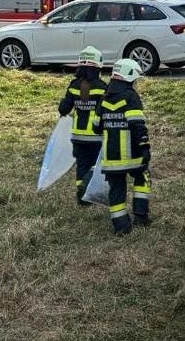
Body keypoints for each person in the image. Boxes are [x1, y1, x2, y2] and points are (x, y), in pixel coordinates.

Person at [100, 59, 151, 234]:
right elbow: (137, 125)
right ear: (129, 76)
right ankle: (141, 216)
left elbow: (95, 126)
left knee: (116, 190)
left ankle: (121, 226)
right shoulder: (130, 96)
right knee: (142, 177)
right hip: (133, 155)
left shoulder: (104, 97)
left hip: (111, 158)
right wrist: (145, 146)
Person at [58, 46, 107, 206]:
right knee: (94, 165)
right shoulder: (102, 87)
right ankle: (90, 191)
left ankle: (81, 197)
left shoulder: (74, 85)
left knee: (81, 165)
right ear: (98, 66)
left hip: (77, 135)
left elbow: (64, 109)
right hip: (96, 135)